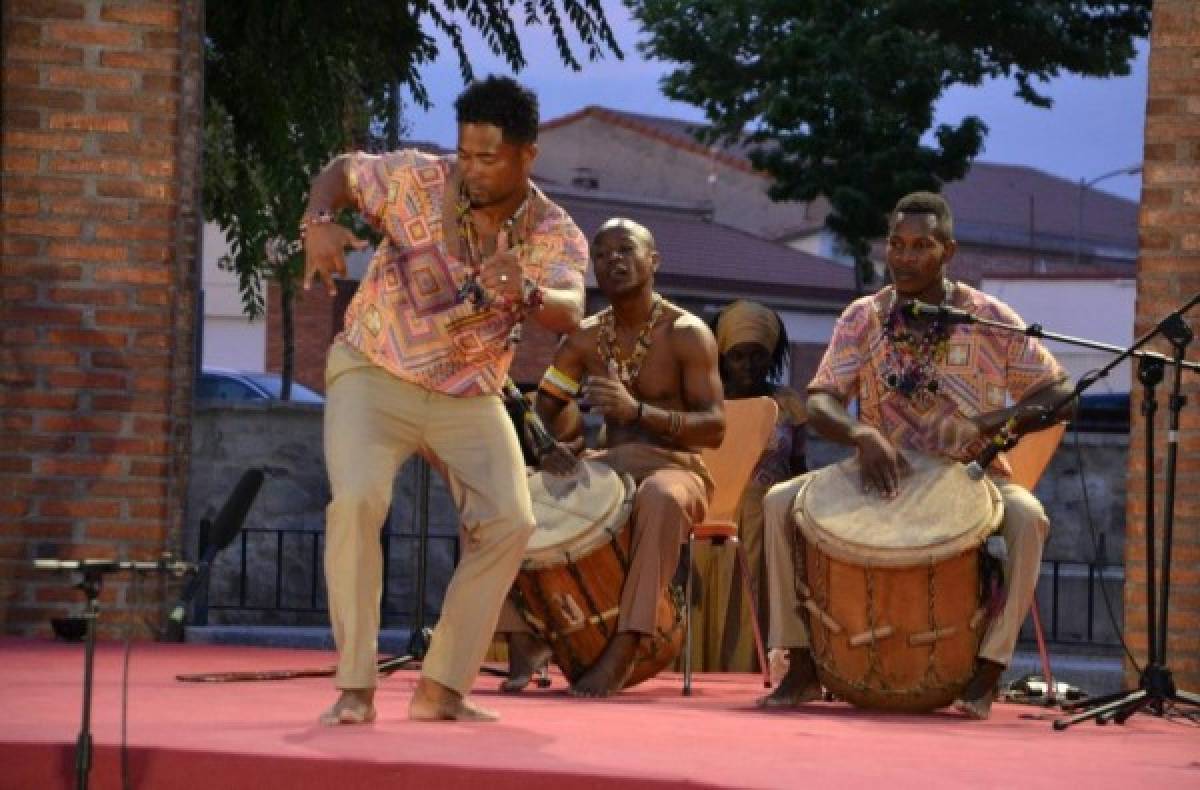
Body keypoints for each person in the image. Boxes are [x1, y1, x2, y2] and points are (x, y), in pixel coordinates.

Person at [301, 76, 588, 723]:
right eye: (467, 154)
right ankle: (354, 689)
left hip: (470, 391)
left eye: (490, 158)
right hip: (374, 369)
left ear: (526, 157)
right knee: (357, 500)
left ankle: (441, 691)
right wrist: (318, 222)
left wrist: (531, 295)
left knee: (510, 521)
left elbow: (571, 308)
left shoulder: (552, 231)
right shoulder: (415, 179)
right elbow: (343, 172)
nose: (473, 169)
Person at [758, 191, 1072, 719]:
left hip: (973, 477)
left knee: (1027, 516)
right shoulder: (864, 316)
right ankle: (804, 662)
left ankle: (988, 670)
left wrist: (985, 423)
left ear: (947, 251)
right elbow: (819, 400)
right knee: (778, 501)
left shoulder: (988, 317)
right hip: (881, 471)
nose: (904, 257)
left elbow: (1061, 393)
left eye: (920, 246)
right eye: (896, 244)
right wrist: (862, 435)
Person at [499, 217, 726, 697]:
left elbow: (715, 427)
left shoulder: (687, 333)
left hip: (677, 468)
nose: (613, 262)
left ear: (654, 261)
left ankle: (629, 642)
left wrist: (638, 410)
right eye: (601, 256)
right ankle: (524, 633)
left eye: (625, 250)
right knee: (505, 489)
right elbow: (543, 409)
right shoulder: (583, 339)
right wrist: (549, 445)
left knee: (661, 497)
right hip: (609, 464)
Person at [689, 301, 807, 672]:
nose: (748, 366)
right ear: (722, 355)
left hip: (766, 522)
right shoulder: (701, 401)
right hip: (707, 516)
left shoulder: (787, 404)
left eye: (758, 356)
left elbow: (799, 466)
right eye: (738, 356)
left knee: (757, 597)